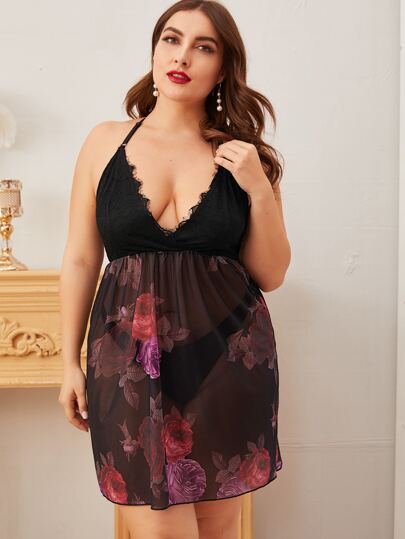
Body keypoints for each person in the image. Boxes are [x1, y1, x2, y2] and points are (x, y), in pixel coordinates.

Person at [58, 0, 290, 537]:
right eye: (171, 38)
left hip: (227, 362)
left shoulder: (246, 157)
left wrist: (258, 189)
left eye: (203, 47)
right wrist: (67, 362)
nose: (182, 55)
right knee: (161, 530)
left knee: (216, 529)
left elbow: (271, 274)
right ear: (154, 50)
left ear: (224, 68)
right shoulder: (104, 142)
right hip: (126, 364)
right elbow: (81, 257)